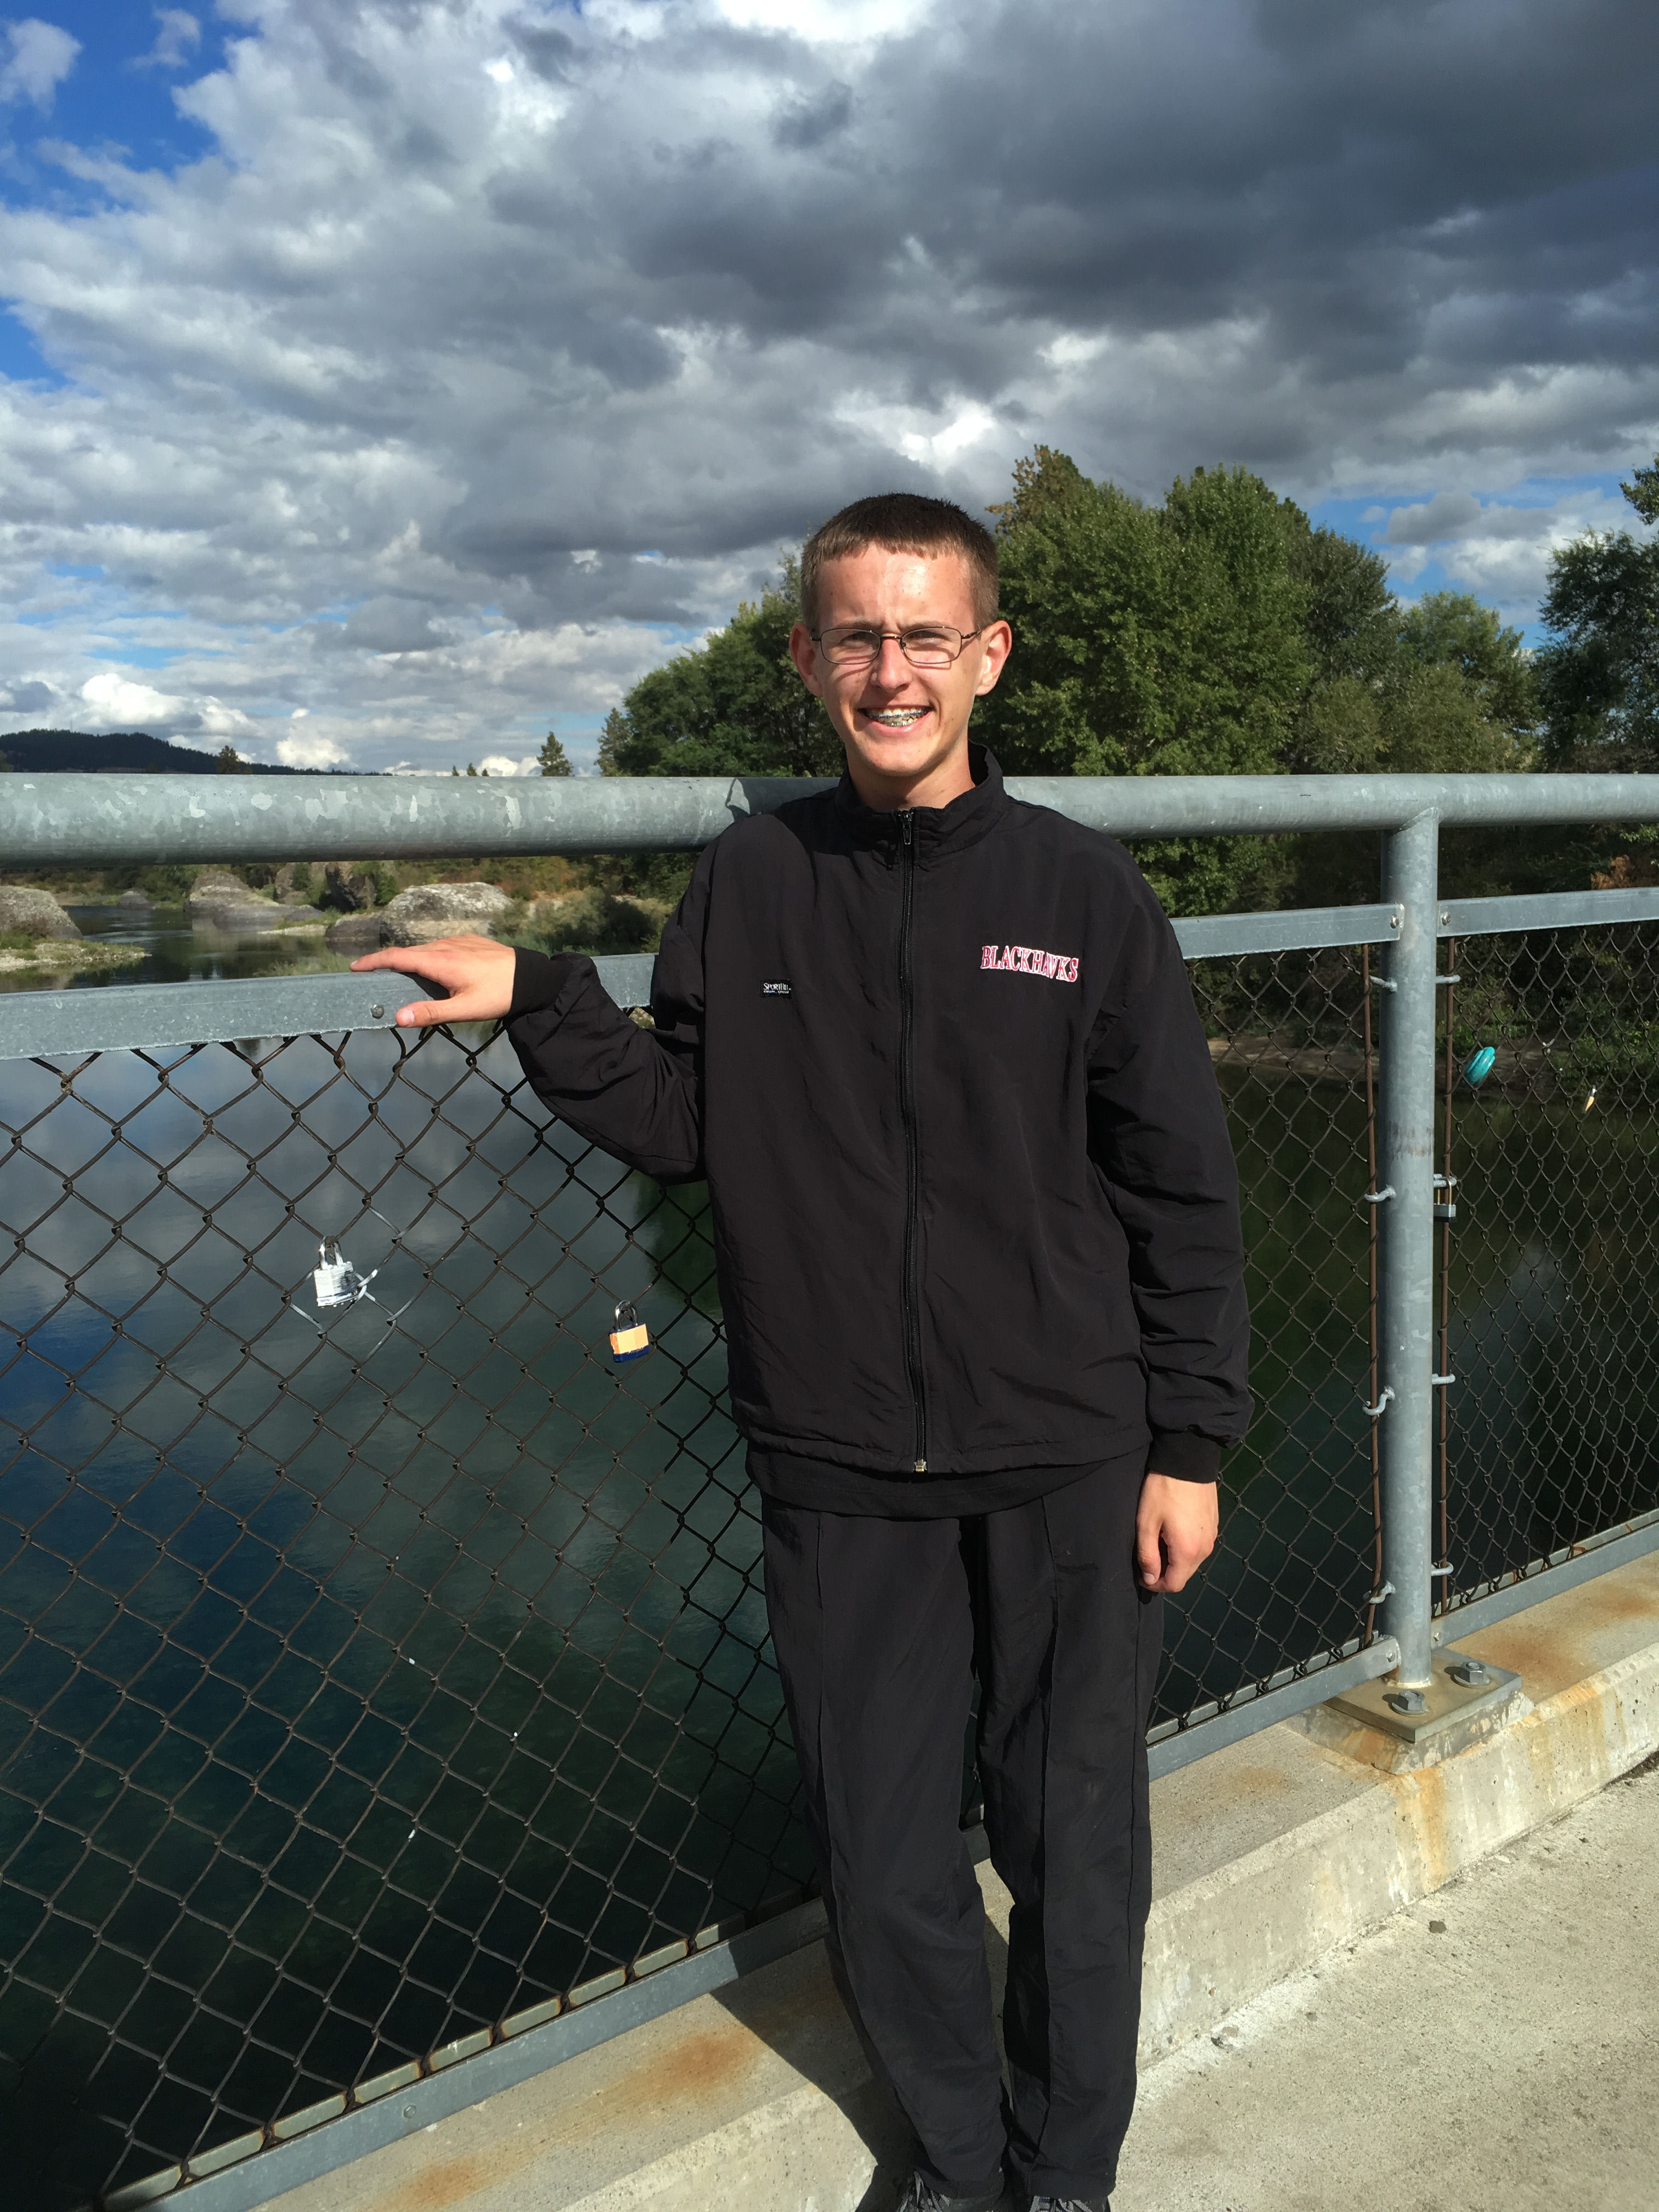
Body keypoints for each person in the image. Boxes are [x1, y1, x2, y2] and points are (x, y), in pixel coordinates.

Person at [353, 493, 1250, 2212]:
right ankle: (964, 2165)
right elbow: (690, 1117)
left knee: (1077, 1845)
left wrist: (1190, 1446)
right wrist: (543, 994)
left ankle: (1068, 2177)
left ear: (987, 657)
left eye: (926, 636)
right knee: (885, 1851)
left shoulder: (1082, 890)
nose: (890, 670)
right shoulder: (753, 882)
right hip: (838, 1464)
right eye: (856, 635)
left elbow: (1180, 1191)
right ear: (807, 660)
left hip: (1071, 1451)